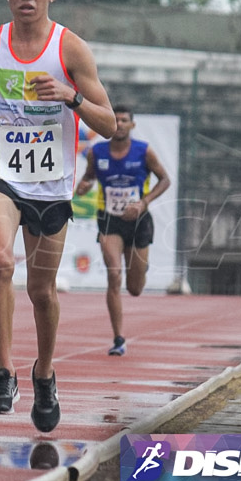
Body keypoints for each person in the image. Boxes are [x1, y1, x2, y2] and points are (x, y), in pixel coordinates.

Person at [0, 0, 117, 433]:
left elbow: (108, 124)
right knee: (0, 260)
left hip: (50, 183)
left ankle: (43, 373)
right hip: (0, 172)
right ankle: (4, 373)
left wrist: (70, 97)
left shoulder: (71, 50)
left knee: (42, 291)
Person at [75, 106, 171, 356]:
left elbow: (165, 180)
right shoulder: (97, 152)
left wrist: (144, 202)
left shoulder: (144, 151)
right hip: (109, 220)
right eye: (115, 119)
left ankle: (140, 266)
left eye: (124, 120)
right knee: (114, 275)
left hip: (139, 221)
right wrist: (84, 186)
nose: (119, 123)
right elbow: (88, 177)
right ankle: (118, 338)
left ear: (132, 125)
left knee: (135, 288)